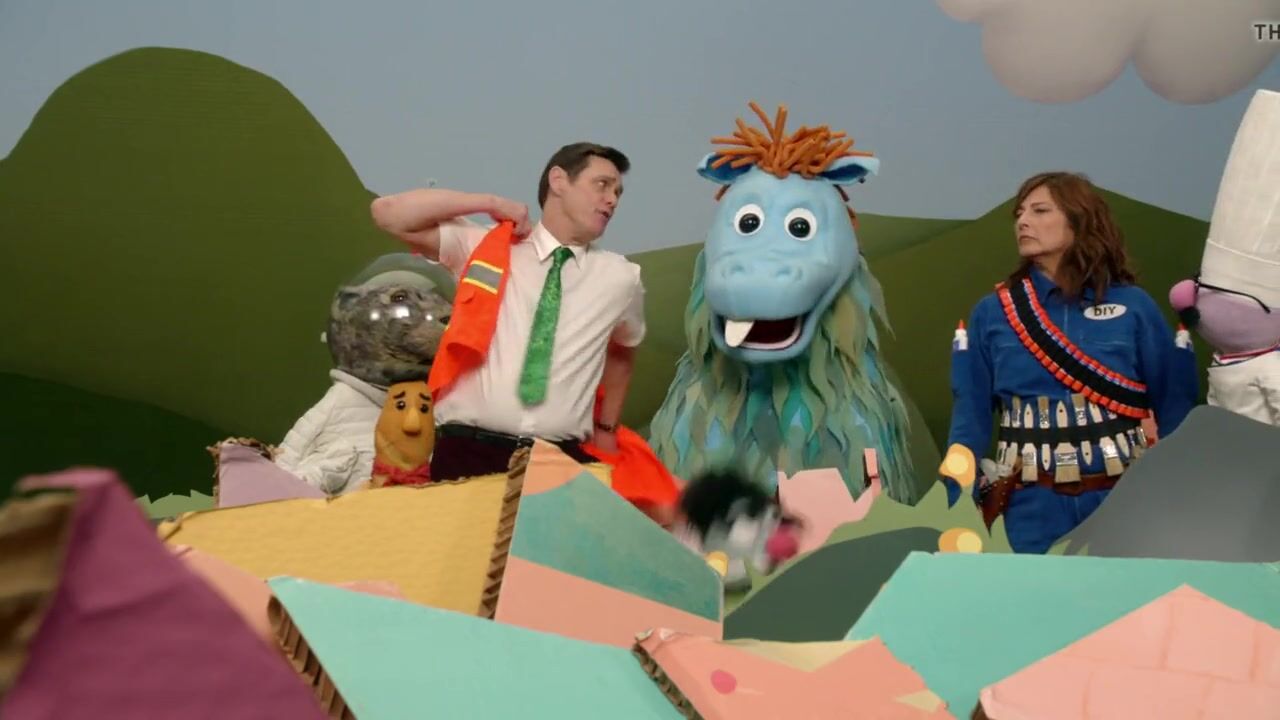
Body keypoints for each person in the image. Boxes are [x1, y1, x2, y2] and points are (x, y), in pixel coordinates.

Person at [944, 171, 1199, 554]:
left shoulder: (1134, 306)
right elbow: (971, 415)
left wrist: (1182, 497)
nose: (1023, 221)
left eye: (1040, 210)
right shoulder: (993, 312)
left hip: (1121, 499)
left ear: (1079, 220)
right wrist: (955, 501)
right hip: (1029, 506)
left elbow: (1174, 407)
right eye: (1019, 213)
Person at [368, 142, 646, 481]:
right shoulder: (486, 245)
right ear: (559, 181)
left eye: (618, 192)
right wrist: (490, 203)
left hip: (560, 461)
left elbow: (623, 351)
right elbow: (388, 213)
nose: (612, 199)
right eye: (602, 185)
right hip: (466, 451)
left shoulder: (621, 278)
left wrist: (606, 429)